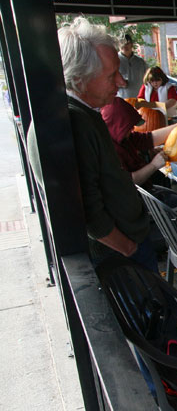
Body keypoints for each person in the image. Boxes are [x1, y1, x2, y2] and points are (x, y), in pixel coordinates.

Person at [44, 17, 156, 272]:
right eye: (111, 75)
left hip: (127, 245)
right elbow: (88, 209)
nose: (122, 82)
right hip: (119, 254)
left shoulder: (87, 114)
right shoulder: (74, 122)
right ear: (81, 78)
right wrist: (128, 248)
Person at [100, 97, 177, 187]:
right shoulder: (109, 151)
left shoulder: (125, 138)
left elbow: (149, 138)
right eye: (128, 127)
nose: (132, 129)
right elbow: (128, 182)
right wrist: (154, 165)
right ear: (117, 126)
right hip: (133, 197)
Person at [117, 34, 147, 100]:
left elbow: (148, 80)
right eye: (122, 44)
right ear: (118, 45)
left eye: (127, 43)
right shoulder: (114, 61)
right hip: (121, 101)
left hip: (139, 101)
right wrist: (120, 83)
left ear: (131, 44)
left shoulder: (140, 62)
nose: (124, 46)